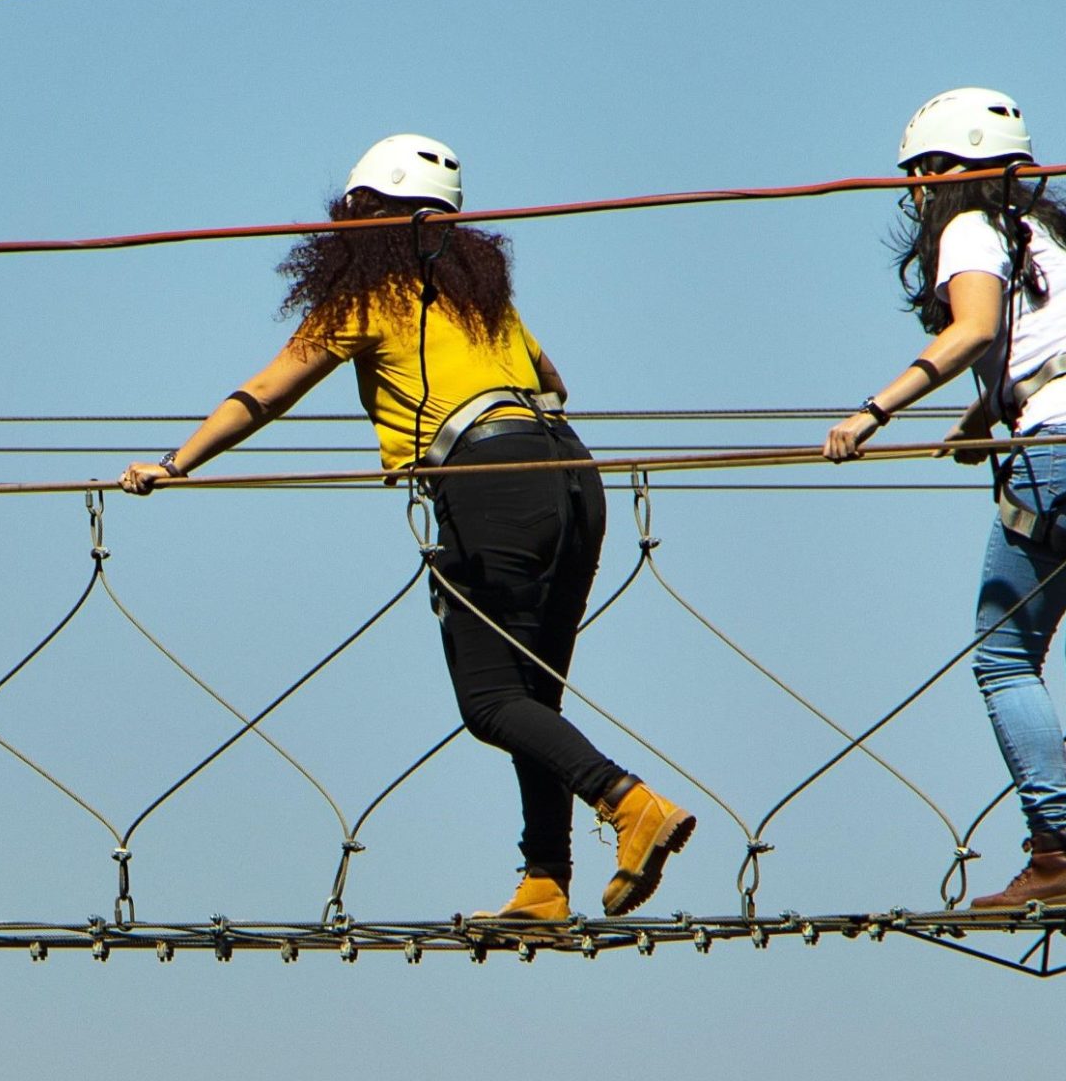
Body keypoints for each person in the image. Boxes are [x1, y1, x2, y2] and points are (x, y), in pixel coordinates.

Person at [118, 133, 695, 922]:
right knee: (535, 695)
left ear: (366, 218)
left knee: (492, 700)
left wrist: (177, 462)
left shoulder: (370, 297)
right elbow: (553, 381)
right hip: (572, 476)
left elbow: (268, 389)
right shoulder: (483, 299)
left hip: (489, 480)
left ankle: (629, 803)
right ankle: (545, 881)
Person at [823, 89, 1066, 910]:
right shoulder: (1054, 234)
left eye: (918, 179)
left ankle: (1057, 854)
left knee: (1002, 657)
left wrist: (872, 412)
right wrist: (976, 421)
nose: (915, 197)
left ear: (937, 172)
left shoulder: (967, 224)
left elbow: (976, 331)